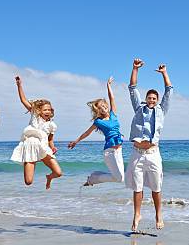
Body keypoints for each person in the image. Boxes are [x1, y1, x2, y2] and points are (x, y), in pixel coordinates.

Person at [125, 58, 173, 231]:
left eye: (154, 98)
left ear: (157, 100)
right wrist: (135, 69)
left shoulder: (162, 110)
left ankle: (158, 214)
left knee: (156, 187)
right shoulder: (139, 108)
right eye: (149, 98)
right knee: (137, 188)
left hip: (153, 154)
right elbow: (132, 88)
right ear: (145, 99)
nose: (151, 100)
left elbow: (169, 91)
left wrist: (164, 73)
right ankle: (137, 214)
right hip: (137, 153)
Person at [68, 76, 124, 186]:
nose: (103, 108)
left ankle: (94, 177)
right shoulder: (98, 122)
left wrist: (108, 86)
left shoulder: (113, 114)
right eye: (100, 108)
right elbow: (87, 133)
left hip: (119, 150)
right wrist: (76, 141)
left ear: (106, 105)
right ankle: (93, 179)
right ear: (98, 110)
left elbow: (112, 98)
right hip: (109, 151)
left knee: (120, 178)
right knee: (119, 178)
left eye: (104, 106)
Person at [10, 76, 63, 189]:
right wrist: (19, 85)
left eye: (49, 109)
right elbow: (23, 100)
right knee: (28, 182)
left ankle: (49, 177)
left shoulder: (52, 125)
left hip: (43, 147)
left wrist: (53, 147)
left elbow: (50, 140)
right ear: (39, 110)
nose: (47, 111)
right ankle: (28, 162)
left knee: (58, 173)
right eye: (45, 109)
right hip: (30, 147)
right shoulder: (35, 115)